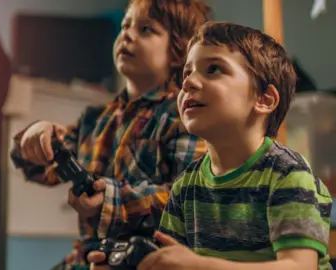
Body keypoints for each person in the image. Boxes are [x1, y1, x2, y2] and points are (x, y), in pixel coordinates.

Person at [88, 21, 334, 270]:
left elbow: (300, 267)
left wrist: (199, 266)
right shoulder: (186, 187)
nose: (188, 83)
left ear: (264, 99)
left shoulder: (288, 173)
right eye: (187, 73)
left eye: (213, 69)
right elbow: (172, 264)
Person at [10, 0, 212, 269]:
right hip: (90, 257)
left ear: (178, 52)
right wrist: (32, 140)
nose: (127, 34)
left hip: (149, 262)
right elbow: (39, 169)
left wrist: (113, 200)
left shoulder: (184, 117)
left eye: (146, 29)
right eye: (125, 26)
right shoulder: (95, 120)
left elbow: (188, 203)